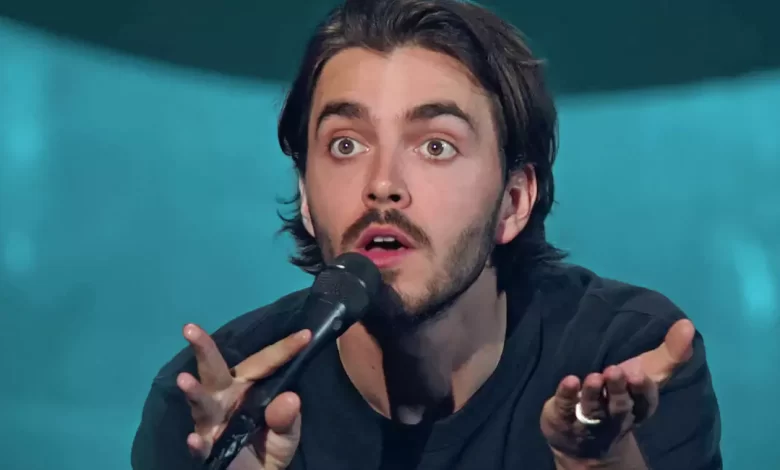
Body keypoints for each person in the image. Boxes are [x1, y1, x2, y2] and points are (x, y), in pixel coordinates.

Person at [131, 0, 722, 468]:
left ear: (514, 201)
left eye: (436, 146)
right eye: (346, 144)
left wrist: (602, 462)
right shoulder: (213, 410)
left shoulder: (621, 366)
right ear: (307, 198)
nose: (382, 184)